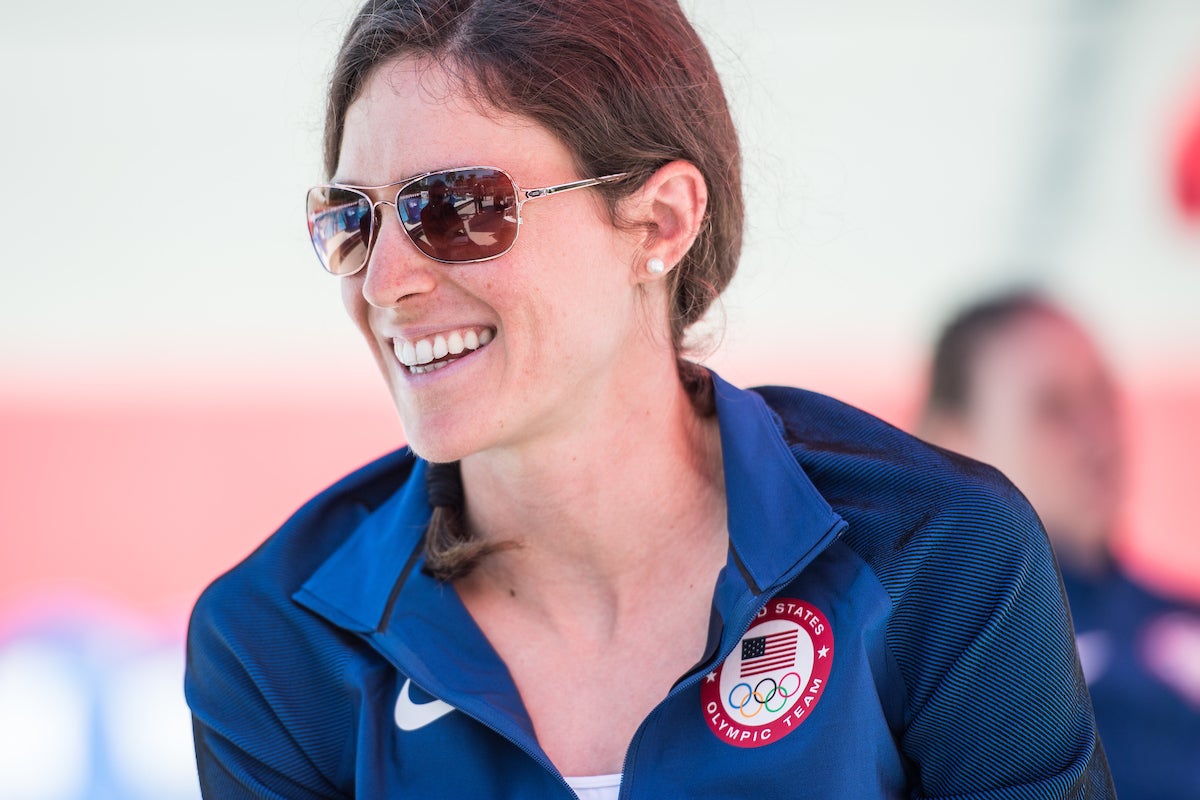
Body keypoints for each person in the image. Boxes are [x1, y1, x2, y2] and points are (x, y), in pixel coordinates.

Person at [186, 2, 1114, 797]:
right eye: (354, 219)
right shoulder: (277, 645)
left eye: (457, 209)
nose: (386, 282)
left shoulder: (937, 556)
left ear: (659, 223)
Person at [919, 289, 1200, 799]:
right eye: (1055, 408)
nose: (1098, 433)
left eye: (1103, 397)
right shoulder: (929, 654)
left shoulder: (1185, 616)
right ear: (952, 442)